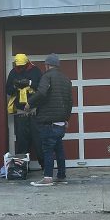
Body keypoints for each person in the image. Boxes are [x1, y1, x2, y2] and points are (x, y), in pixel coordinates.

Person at [26, 53, 72, 186]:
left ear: (47, 65)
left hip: (48, 122)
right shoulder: (65, 79)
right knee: (59, 149)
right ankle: (61, 175)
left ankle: (47, 178)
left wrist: (30, 103)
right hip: (60, 122)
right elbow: (70, 101)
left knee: (47, 150)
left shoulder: (47, 76)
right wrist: (66, 118)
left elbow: (41, 93)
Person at [5, 53, 43, 159]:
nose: (20, 68)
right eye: (18, 66)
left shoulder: (36, 71)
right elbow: (8, 90)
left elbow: (42, 88)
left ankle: (45, 168)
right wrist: (15, 86)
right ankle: (22, 168)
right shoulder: (13, 73)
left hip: (35, 111)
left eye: (22, 66)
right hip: (20, 112)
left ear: (27, 63)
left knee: (38, 139)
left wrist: (30, 83)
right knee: (21, 140)